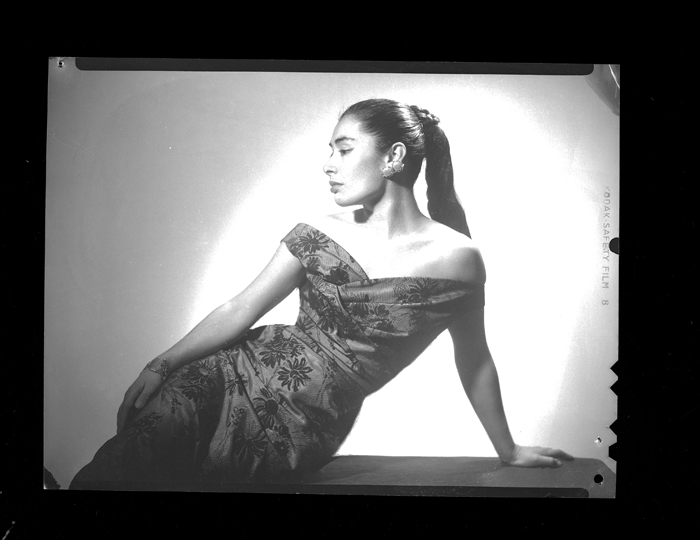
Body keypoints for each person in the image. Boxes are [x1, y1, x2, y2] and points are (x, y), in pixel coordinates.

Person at [70, 98, 573, 489]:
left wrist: (508, 451)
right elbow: (241, 307)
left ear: (394, 156)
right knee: (123, 465)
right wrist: (161, 365)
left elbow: (475, 359)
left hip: (302, 426)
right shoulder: (317, 230)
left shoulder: (460, 259)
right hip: (225, 373)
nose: (328, 164)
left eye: (344, 149)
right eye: (331, 150)